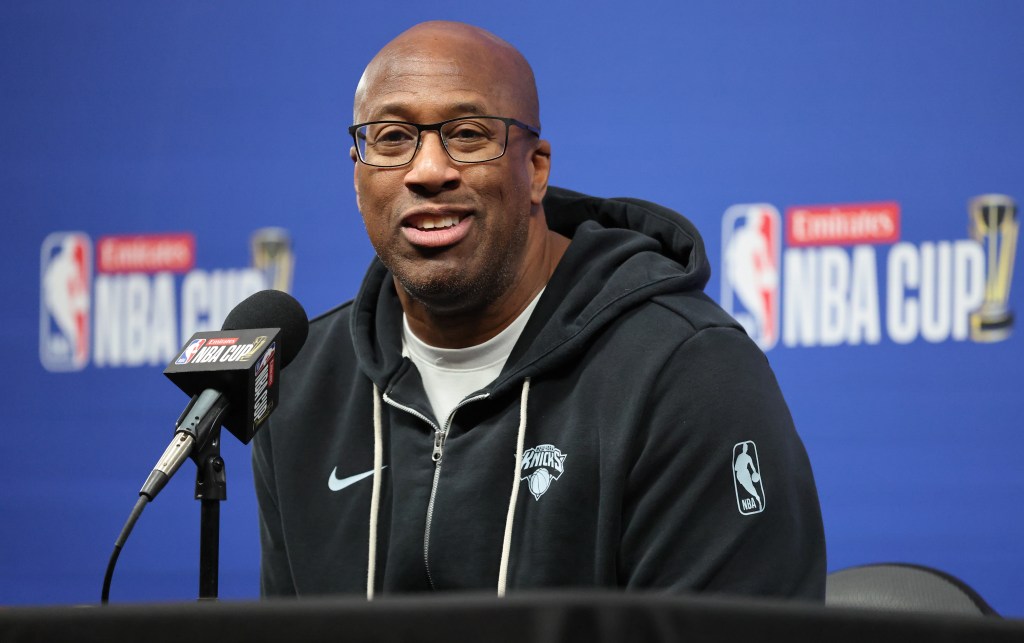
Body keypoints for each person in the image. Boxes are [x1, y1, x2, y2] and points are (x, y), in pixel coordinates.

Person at [252, 20, 826, 600]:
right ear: (357, 177)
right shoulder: (302, 387)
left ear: (536, 171)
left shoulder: (685, 371)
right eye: (393, 138)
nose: (427, 171)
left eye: (469, 134)